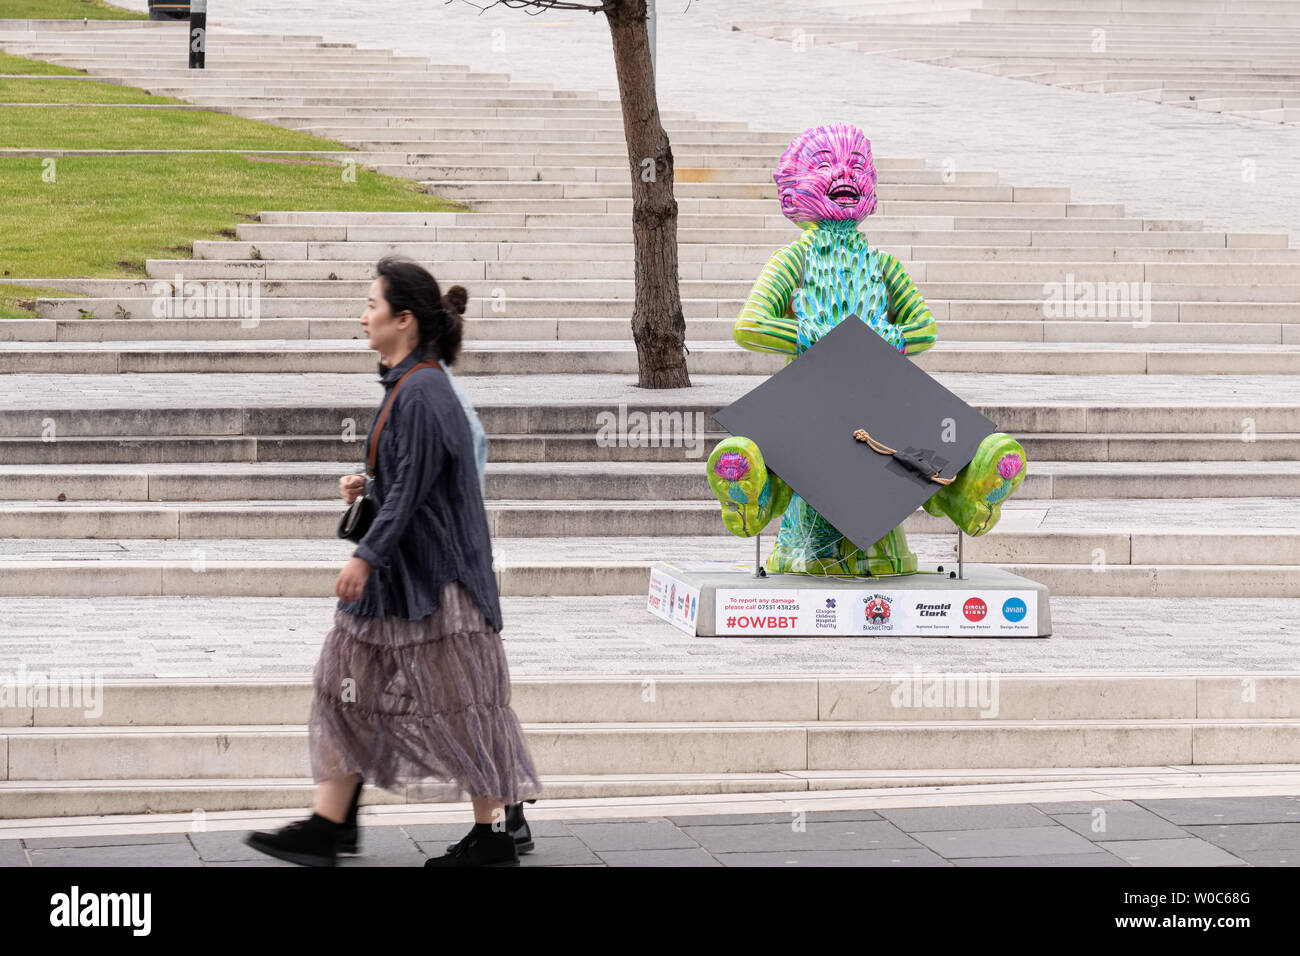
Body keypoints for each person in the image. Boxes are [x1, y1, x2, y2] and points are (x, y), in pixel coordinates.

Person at [244, 255, 542, 867]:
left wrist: (365, 553)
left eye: (372, 306)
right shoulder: (406, 385)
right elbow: (403, 478)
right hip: (393, 586)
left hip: (438, 583)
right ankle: (330, 824)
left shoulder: (427, 389)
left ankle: (492, 838)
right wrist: (368, 484)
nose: (363, 316)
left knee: (462, 703)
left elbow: (414, 488)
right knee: (341, 689)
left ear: (403, 320)